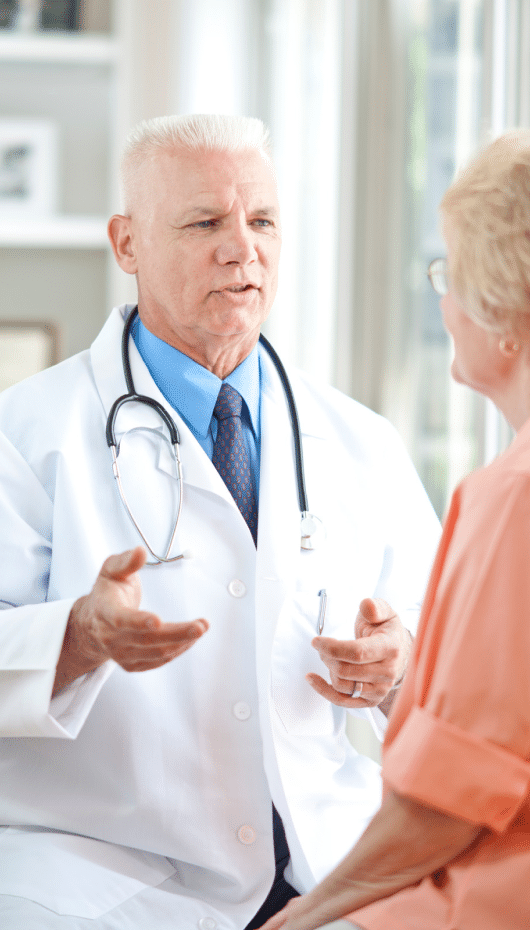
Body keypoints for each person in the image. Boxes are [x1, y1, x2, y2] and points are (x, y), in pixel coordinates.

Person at [0, 114, 440, 930]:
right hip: (100, 871)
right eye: (206, 222)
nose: (244, 248)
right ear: (126, 244)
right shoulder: (25, 434)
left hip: (330, 859)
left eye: (263, 220)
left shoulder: (359, 440)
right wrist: (76, 635)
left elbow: (445, 661)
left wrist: (398, 664)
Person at [260, 128, 530, 930]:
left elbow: (452, 798)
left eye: (450, 275)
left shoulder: (512, 498)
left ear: (506, 316)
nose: (442, 303)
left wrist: (308, 917)